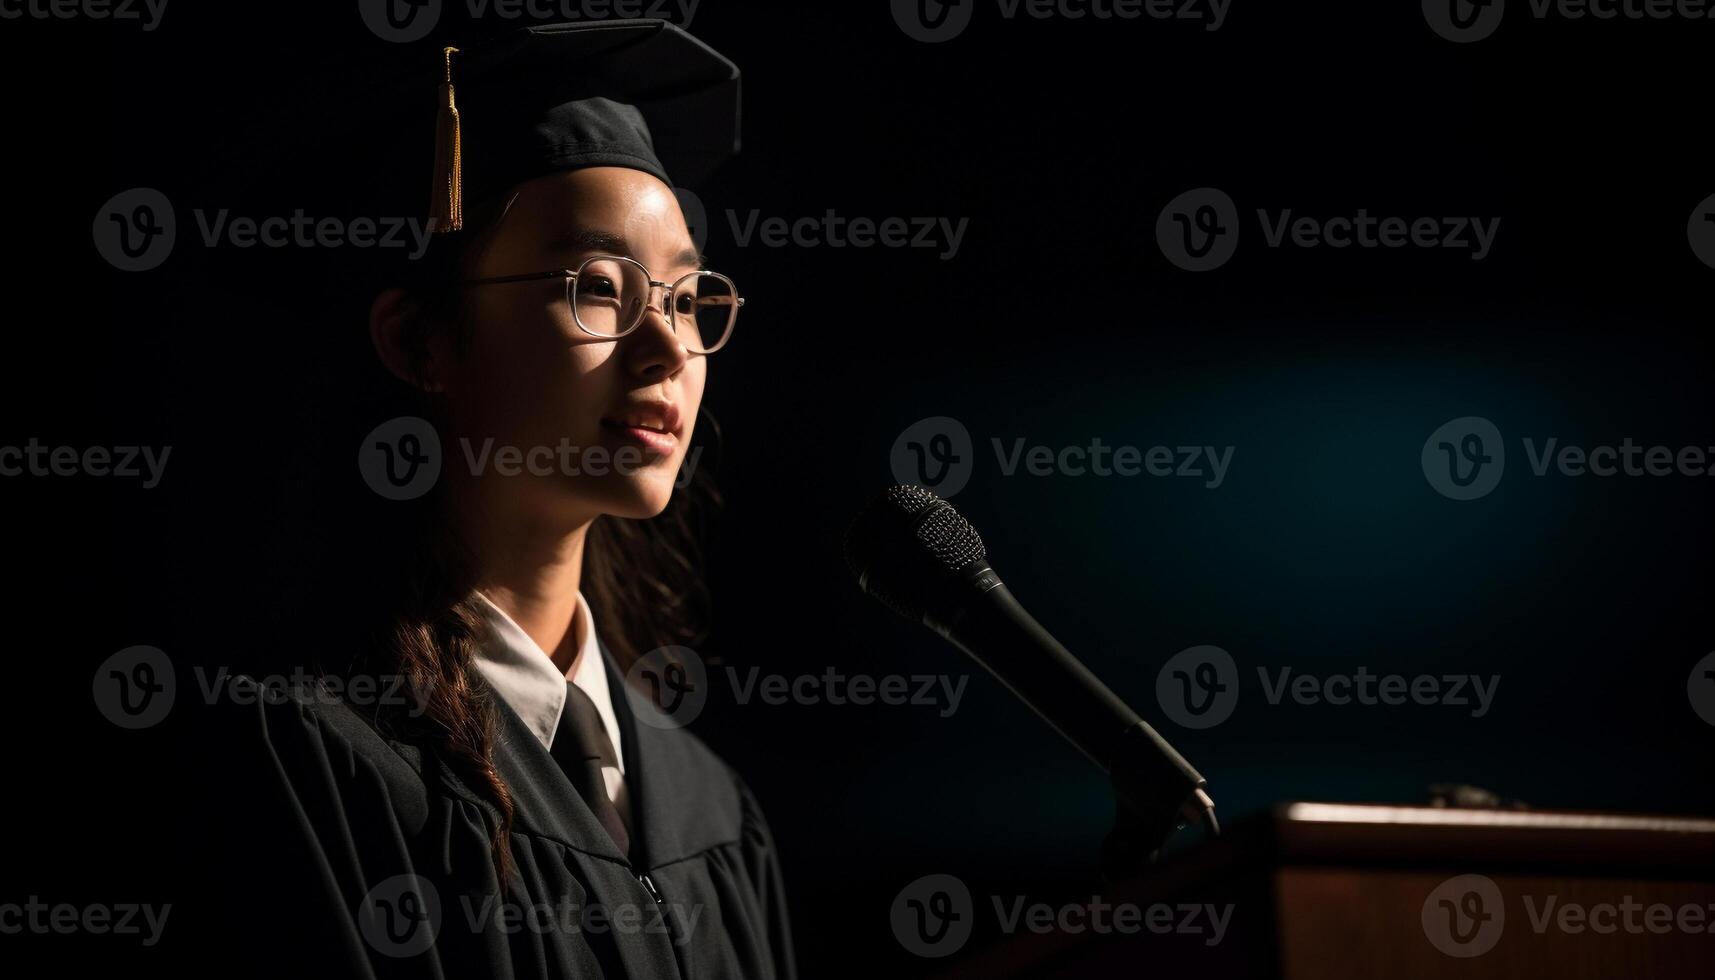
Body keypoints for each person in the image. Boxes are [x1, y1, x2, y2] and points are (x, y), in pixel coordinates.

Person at [206, 20, 795, 978]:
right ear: (420, 344)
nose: (666, 352)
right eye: (599, 288)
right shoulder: (321, 758)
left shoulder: (708, 808)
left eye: (687, 300)